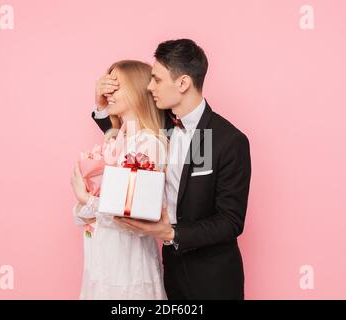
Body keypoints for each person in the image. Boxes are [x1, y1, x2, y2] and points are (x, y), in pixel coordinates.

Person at [92, 39, 252, 299]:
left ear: (183, 83)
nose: (149, 86)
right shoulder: (161, 125)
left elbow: (230, 221)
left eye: (156, 79)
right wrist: (102, 102)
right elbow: (129, 130)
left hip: (213, 280)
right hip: (170, 273)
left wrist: (169, 232)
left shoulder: (229, 140)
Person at [70, 60, 168, 299]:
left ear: (138, 90)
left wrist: (86, 199)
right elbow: (91, 213)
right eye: (107, 85)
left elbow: (137, 220)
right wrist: (86, 206)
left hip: (128, 269)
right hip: (103, 263)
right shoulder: (115, 142)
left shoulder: (149, 144)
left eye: (117, 86)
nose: (108, 92)